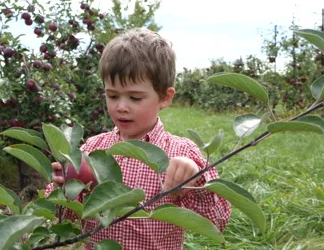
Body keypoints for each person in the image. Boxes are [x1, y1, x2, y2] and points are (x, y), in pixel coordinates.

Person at [45, 28, 231, 250]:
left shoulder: (181, 153)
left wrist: (195, 180)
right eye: (112, 95)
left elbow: (218, 221)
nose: (121, 107)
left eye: (135, 97)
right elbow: (62, 216)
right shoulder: (93, 149)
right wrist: (65, 188)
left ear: (164, 97)